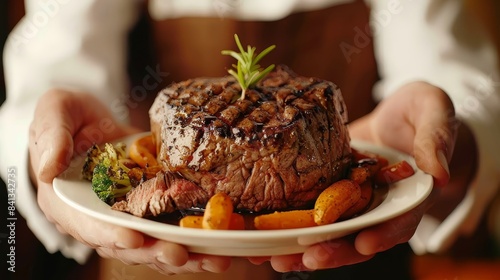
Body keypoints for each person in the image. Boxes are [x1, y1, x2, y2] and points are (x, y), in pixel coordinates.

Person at [1, 0, 499, 278]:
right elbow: (52, 62)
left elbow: (461, 78)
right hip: (157, 264)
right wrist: (48, 151)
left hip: (354, 257)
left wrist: (454, 146)